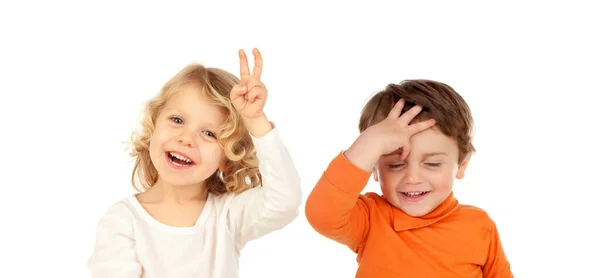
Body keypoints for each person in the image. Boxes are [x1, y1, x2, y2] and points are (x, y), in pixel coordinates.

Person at [87, 48, 302, 278]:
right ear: (153, 126)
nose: (187, 138)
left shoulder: (228, 215)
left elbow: (284, 201)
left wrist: (256, 121)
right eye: (177, 120)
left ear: (227, 159)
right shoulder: (123, 221)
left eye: (209, 133)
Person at [305, 80, 512, 277]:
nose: (412, 178)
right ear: (374, 168)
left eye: (432, 164)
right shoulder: (370, 218)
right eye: (395, 165)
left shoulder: (479, 225)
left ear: (462, 164)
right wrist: (369, 143)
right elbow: (322, 214)